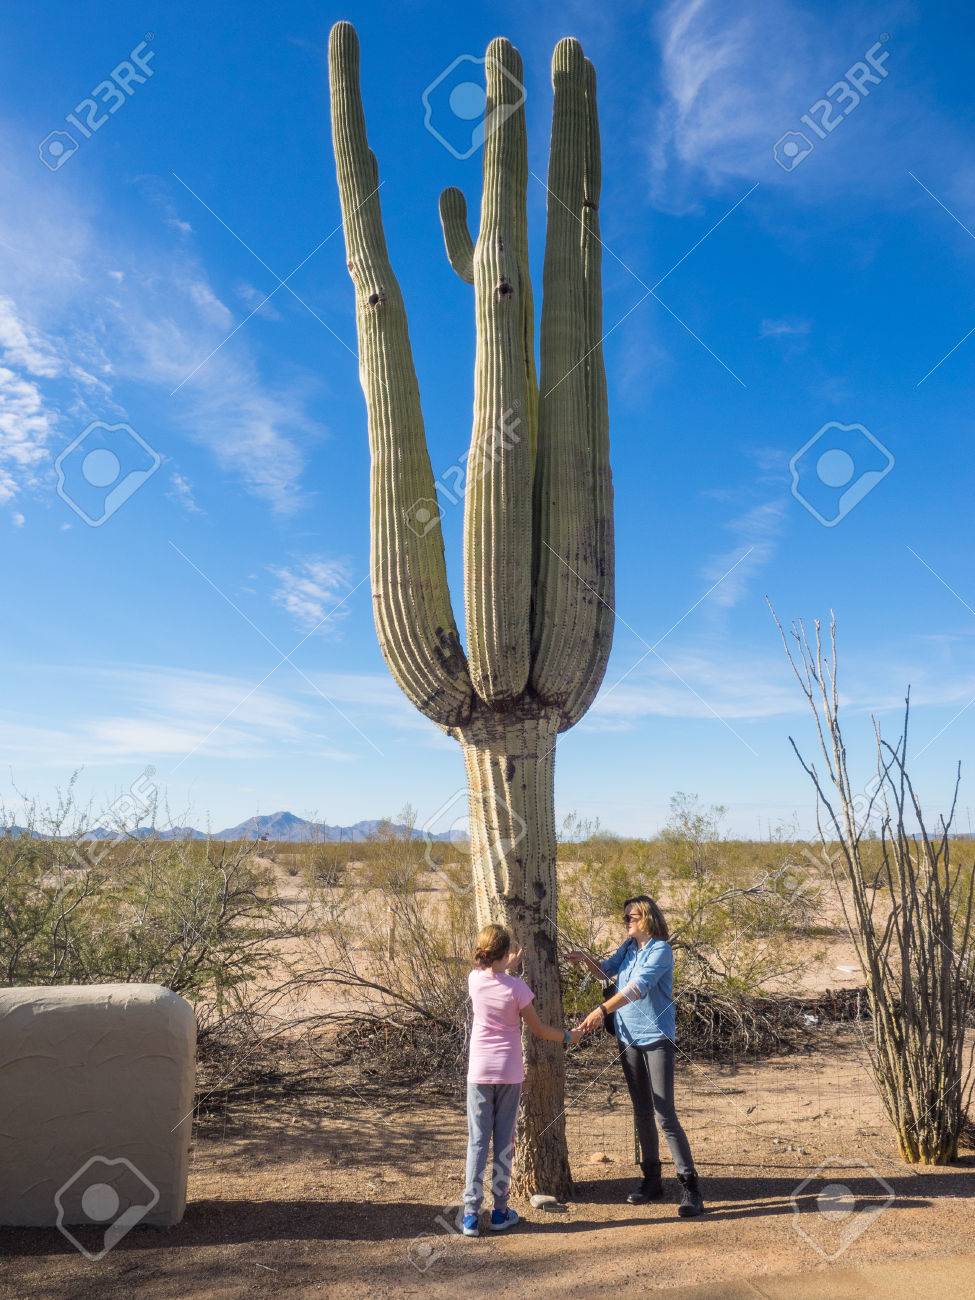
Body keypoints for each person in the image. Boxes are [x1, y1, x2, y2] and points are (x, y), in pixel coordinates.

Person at [567, 895, 704, 1217]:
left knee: (664, 1113)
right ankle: (651, 1180)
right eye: (625, 917)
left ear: (648, 918)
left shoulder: (660, 950)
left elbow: (637, 988)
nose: (627, 921)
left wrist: (601, 1010)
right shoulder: (629, 948)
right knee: (642, 1111)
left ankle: (690, 1187)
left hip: (656, 1038)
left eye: (632, 917)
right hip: (627, 1038)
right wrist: (586, 960)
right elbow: (605, 973)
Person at [461, 922, 579, 1238]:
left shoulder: (474, 980)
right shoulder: (517, 989)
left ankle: (470, 1215)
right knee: (504, 1143)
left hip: (480, 1072)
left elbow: (487, 971)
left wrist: (504, 965)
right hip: (509, 1072)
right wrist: (569, 1036)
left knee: (477, 1142)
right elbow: (539, 1030)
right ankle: (500, 1211)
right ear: (505, 954)